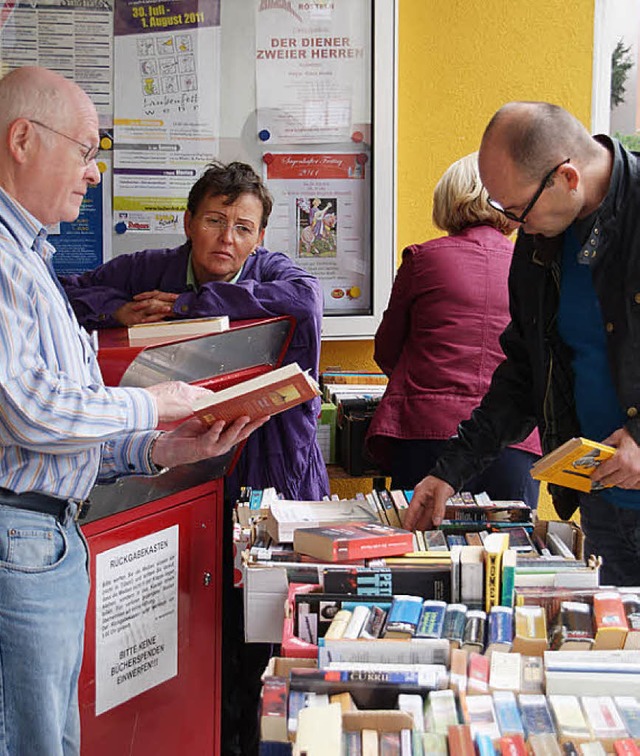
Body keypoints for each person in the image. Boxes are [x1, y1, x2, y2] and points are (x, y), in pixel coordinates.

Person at [0, 66, 267, 756]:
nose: (93, 174)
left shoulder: (32, 259)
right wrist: (154, 402)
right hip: (17, 538)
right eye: (86, 150)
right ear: (22, 139)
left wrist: (158, 449)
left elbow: (65, 419)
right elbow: (29, 410)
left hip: (51, 537)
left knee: (53, 739)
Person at [404, 101, 640, 586]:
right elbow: (522, 375)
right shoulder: (540, 240)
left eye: (516, 210)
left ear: (567, 178)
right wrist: (451, 470)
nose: (511, 224)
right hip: (603, 505)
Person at [60, 160, 329, 503]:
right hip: (174, 451)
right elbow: (63, 292)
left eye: (243, 228)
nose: (227, 238)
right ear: (188, 223)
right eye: (214, 221)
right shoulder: (148, 269)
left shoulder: (271, 271)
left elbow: (306, 298)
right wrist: (116, 310)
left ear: (260, 237)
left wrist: (189, 304)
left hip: (269, 452)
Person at [365, 153, 541, 507]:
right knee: (506, 554)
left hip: (423, 432)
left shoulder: (423, 259)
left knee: (418, 554)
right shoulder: (533, 268)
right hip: (512, 441)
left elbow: (387, 351)